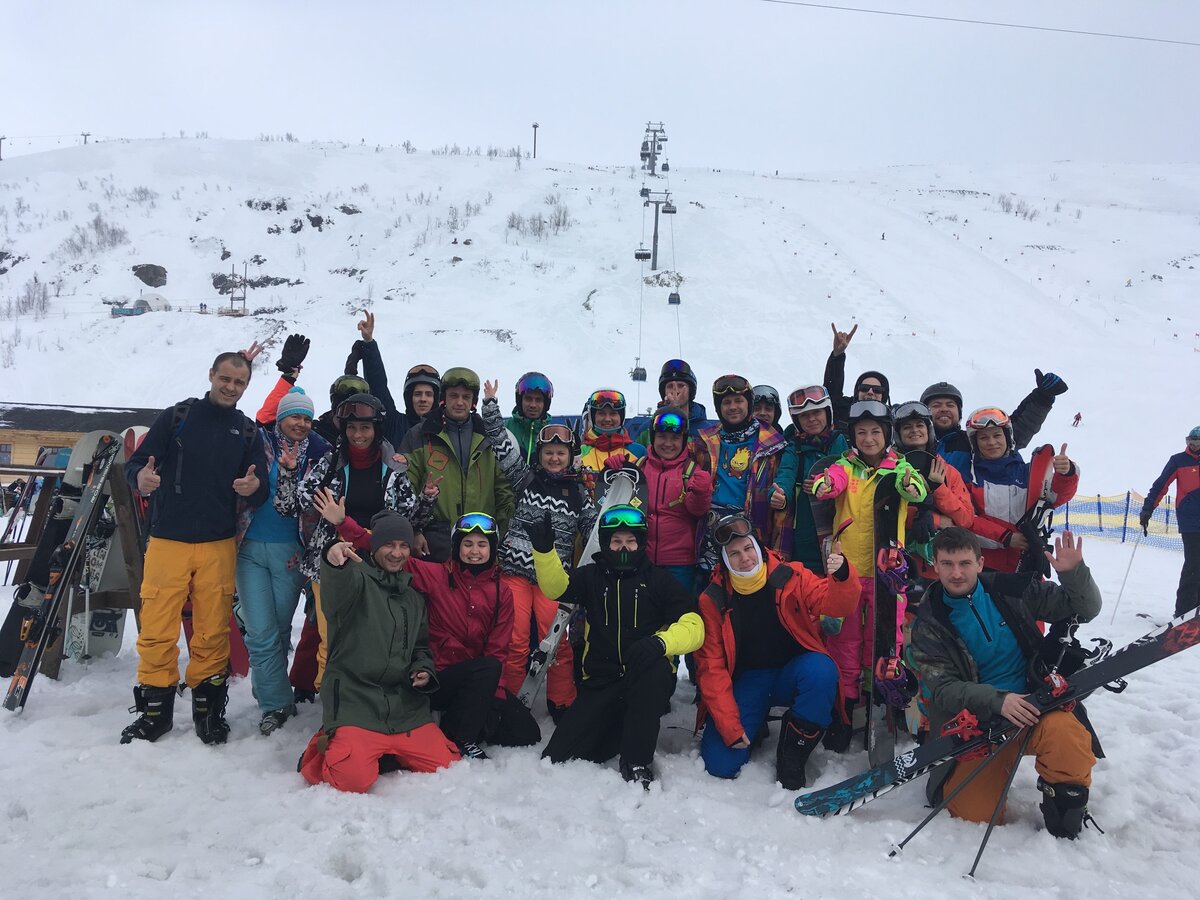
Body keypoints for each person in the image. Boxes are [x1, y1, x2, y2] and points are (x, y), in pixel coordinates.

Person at [908, 527, 1101, 838]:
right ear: (935, 566)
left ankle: (1063, 811)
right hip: (981, 726)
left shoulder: (1011, 590)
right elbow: (943, 689)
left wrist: (1073, 574)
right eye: (947, 564)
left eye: (965, 563)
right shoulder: (929, 624)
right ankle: (984, 774)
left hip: (1035, 707)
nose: (956, 573)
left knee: (1069, 737)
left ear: (980, 563)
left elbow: (1085, 608)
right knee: (973, 815)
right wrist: (998, 701)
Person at [120, 350, 269, 745]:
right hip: (168, 539)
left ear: (246, 386)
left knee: (212, 631)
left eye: (239, 382)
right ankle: (155, 714)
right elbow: (135, 465)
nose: (231, 387)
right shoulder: (177, 417)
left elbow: (262, 487)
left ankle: (208, 713)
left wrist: (254, 487)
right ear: (211, 375)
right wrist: (140, 479)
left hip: (218, 543)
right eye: (225, 378)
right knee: (157, 628)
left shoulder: (247, 431)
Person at [274, 393, 437, 690]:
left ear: (376, 429)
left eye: (365, 427)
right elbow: (289, 507)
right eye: (351, 427)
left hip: (379, 564)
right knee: (332, 641)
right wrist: (288, 472)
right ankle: (332, 707)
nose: (357, 434)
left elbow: (409, 521)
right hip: (332, 563)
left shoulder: (393, 468)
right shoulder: (331, 463)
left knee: (375, 637)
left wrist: (427, 499)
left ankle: (369, 700)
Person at [533, 505, 703, 787]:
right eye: (616, 541)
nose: (624, 548)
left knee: (654, 675)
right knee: (558, 756)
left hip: (645, 678)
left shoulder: (659, 580)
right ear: (605, 543)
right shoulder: (591, 576)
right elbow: (556, 588)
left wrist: (661, 643)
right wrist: (544, 552)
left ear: (641, 543)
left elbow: (695, 626)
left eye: (630, 541)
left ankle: (636, 760)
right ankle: (623, 725)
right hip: (601, 680)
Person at [297, 513, 460, 792]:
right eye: (389, 545)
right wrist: (332, 560)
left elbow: (420, 647)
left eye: (403, 545)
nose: (397, 553)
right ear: (374, 547)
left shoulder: (413, 597)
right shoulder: (356, 580)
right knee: (352, 781)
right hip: (357, 704)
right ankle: (326, 745)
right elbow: (334, 596)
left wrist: (422, 669)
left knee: (446, 764)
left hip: (403, 707)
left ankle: (381, 752)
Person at [694, 516, 859, 788]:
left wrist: (842, 576)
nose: (744, 558)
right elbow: (711, 667)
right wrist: (730, 726)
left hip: (793, 672)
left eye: (748, 548)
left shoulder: (790, 575)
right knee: (721, 765)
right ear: (724, 560)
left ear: (758, 547)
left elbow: (837, 604)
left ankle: (792, 755)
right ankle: (754, 722)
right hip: (748, 681)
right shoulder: (713, 599)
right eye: (734, 554)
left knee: (821, 670)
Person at [810, 399, 927, 749]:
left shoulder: (899, 467)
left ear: (886, 434)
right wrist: (823, 484)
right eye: (861, 433)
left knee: (885, 639)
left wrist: (910, 484)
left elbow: (915, 488)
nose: (869, 438)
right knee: (844, 641)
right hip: (847, 571)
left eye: (875, 432)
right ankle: (845, 711)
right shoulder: (845, 466)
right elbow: (829, 483)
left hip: (887, 572)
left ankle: (882, 702)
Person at [479, 380, 597, 719]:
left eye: (561, 453)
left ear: (571, 457)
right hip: (515, 574)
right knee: (515, 642)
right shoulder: (526, 479)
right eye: (549, 453)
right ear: (540, 455)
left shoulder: (579, 494)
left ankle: (562, 700)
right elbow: (502, 445)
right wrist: (490, 405)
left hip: (553, 581)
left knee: (556, 642)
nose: (554, 458)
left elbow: (594, 530)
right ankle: (510, 700)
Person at [404, 512, 541, 757]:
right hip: (437, 678)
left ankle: (458, 721)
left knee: (527, 732)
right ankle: (459, 737)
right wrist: (344, 529)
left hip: (477, 683)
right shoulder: (437, 576)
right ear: (457, 547)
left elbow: (498, 649)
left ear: (492, 548)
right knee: (487, 668)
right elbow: (394, 555)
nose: (474, 551)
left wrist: (494, 696)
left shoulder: (501, 592)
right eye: (467, 544)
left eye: (482, 544)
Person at [237, 386, 331, 735]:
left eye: (307, 418)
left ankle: (269, 691)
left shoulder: (321, 455)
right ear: (280, 418)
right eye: (294, 416)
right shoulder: (257, 445)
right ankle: (275, 704)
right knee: (260, 633)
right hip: (249, 549)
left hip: (291, 553)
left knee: (277, 630)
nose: (301, 424)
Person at [401, 367, 515, 562]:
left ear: (474, 400)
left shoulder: (491, 437)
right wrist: (414, 531)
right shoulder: (420, 435)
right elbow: (405, 487)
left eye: (466, 397)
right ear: (443, 397)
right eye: (453, 396)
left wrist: (502, 537)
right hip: (434, 543)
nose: (460, 402)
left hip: (480, 541)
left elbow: (504, 493)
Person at [962, 407, 1078, 573]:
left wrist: (1066, 473)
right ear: (975, 443)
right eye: (984, 437)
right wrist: (1006, 537)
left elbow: (1056, 497)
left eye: (997, 435)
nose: (992, 442)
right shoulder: (968, 477)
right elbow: (965, 521)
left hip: (1027, 565)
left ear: (1007, 437)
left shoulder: (1029, 473)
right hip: (983, 566)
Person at [696, 375, 788, 562]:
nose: (732, 407)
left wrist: (781, 555)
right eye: (726, 402)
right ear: (718, 408)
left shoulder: (772, 445)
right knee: (710, 580)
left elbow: (782, 507)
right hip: (710, 535)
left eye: (738, 400)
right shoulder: (704, 443)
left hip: (752, 533)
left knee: (747, 578)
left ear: (749, 404)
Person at [921, 371, 1068, 479]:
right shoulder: (914, 442)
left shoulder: (973, 441)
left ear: (959, 413)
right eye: (936, 405)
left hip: (964, 509)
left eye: (950, 405)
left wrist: (1042, 398)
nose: (944, 409)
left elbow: (1016, 431)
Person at [773, 386, 849, 574]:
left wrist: (822, 483)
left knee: (835, 573)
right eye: (805, 416)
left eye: (817, 413)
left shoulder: (839, 440)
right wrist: (779, 494)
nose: (812, 419)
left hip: (835, 519)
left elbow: (844, 470)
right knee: (805, 573)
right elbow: (786, 473)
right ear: (797, 420)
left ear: (827, 413)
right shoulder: (794, 446)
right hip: (804, 523)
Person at [636, 406, 713, 591]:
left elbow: (697, 510)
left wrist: (701, 492)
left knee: (678, 607)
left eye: (675, 438)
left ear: (684, 440)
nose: (668, 443)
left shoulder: (690, 470)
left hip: (680, 564)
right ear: (653, 437)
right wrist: (616, 472)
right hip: (642, 559)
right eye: (662, 436)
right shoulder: (639, 467)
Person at [891, 400, 974, 570]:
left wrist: (938, 488)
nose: (914, 430)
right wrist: (932, 518)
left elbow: (966, 519)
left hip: (943, 569)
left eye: (920, 425)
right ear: (898, 435)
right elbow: (882, 513)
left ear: (928, 430)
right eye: (907, 427)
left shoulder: (948, 472)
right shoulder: (890, 469)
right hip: (899, 564)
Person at [351, 310, 443, 446]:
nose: (423, 399)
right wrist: (369, 342)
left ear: (436, 399)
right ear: (409, 397)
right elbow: (378, 386)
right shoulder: (395, 424)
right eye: (417, 394)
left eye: (429, 394)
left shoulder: (446, 431)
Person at [1140, 426, 1200, 616]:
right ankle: (1184, 613)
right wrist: (1148, 508)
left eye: (1196, 442)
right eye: (1190, 441)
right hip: (1191, 521)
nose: (1193, 445)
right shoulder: (1179, 461)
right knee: (1194, 565)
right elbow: (1160, 485)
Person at [822, 321, 891, 430]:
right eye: (864, 388)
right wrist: (837, 356)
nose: (870, 392)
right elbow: (831, 393)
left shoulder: (890, 419)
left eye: (877, 390)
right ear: (857, 392)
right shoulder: (844, 409)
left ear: (884, 395)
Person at [630, 359, 710, 444]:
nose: (675, 391)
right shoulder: (647, 429)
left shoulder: (707, 431)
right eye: (670, 386)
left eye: (681, 386)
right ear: (664, 392)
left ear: (690, 391)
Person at [578, 389, 645, 474]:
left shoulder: (638, 451)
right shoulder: (580, 452)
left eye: (613, 413)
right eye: (601, 413)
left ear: (621, 416)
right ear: (593, 417)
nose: (607, 419)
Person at [505, 372, 554, 465]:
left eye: (538, 400)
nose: (533, 405)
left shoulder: (552, 434)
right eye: (528, 399)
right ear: (520, 400)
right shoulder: (505, 429)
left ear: (546, 404)